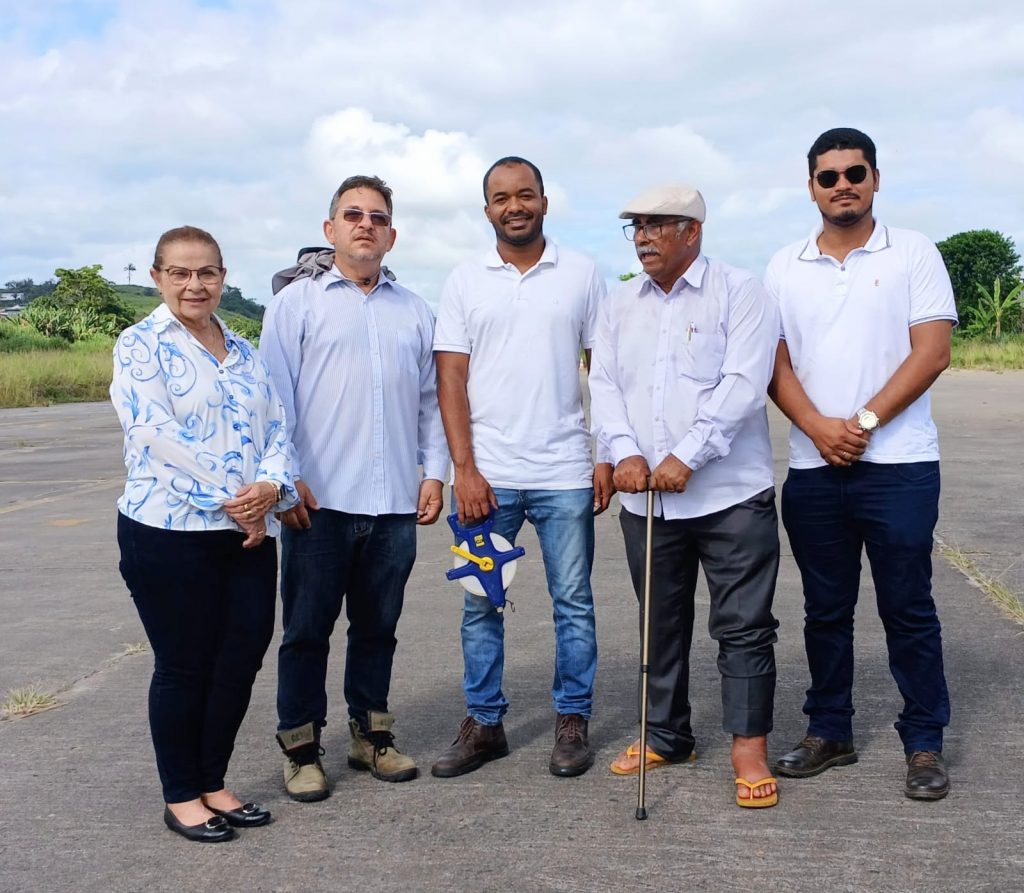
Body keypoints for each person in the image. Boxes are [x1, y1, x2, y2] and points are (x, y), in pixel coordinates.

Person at [766, 127, 956, 800]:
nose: (841, 185)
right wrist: (819, 428)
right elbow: (775, 360)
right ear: (811, 185)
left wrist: (863, 423)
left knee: (908, 606)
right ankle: (830, 730)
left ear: (875, 178)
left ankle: (925, 740)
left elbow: (931, 351)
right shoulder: (784, 265)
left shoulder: (913, 252)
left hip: (899, 465)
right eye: (828, 176)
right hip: (815, 469)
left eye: (854, 173)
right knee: (825, 609)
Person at [590, 184, 782, 808]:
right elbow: (606, 384)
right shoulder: (619, 303)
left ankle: (748, 746)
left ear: (692, 231)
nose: (642, 237)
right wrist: (625, 452)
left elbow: (745, 383)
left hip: (731, 494)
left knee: (744, 627)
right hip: (648, 499)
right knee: (660, 622)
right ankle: (668, 735)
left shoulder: (741, 291)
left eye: (656, 225)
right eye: (635, 226)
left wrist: (686, 455)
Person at [261, 175, 449, 800]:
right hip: (320, 504)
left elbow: (431, 402)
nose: (365, 224)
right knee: (306, 630)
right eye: (352, 215)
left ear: (392, 234)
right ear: (330, 230)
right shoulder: (297, 304)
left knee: (378, 628)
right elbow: (273, 399)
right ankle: (301, 747)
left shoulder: (414, 309)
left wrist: (433, 472)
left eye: (376, 216)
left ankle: (373, 738)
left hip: (394, 502)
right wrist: (284, 481)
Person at [111, 225, 298, 842]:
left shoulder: (243, 351)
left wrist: (270, 488)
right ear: (158, 276)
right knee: (185, 663)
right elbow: (156, 436)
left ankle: (214, 781)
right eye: (181, 273)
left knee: (240, 656)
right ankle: (181, 794)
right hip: (168, 530)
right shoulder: (140, 346)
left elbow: (278, 429)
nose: (196, 284)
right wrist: (239, 503)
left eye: (208, 272)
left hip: (245, 534)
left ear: (223, 276)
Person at [431, 156, 613, 780]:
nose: (516, 206)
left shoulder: (583, 274)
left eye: (526, 194)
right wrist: (466, 468)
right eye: (502, 197)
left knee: (574, 603)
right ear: (487, 209)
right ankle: (484, 723)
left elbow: (606, 369)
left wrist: (604, 454)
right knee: (481, 603)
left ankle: (572, 721)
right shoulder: (464, 281)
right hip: (488, 477)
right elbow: (449, 378)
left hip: (564, 470)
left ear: (544, 200)